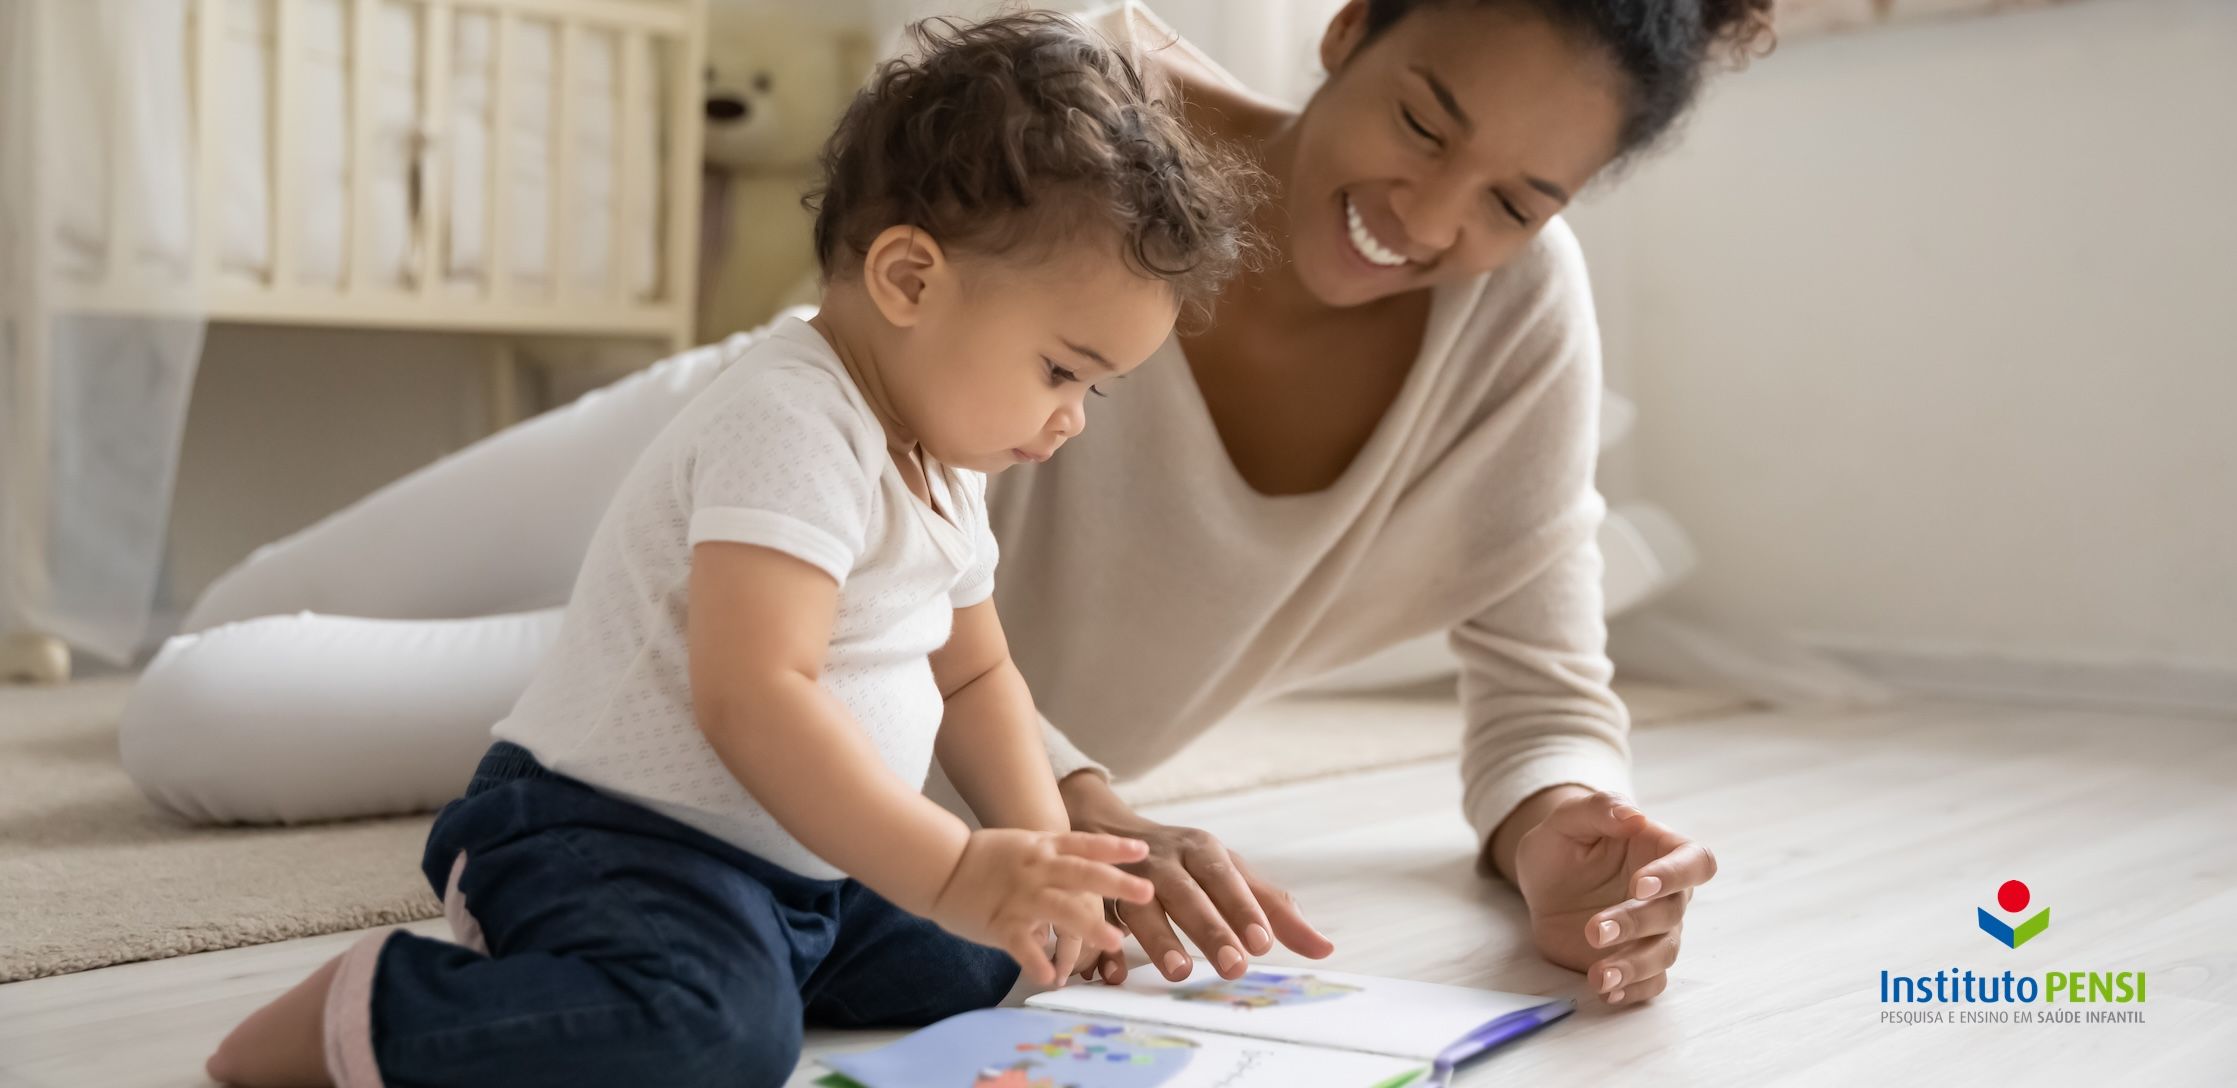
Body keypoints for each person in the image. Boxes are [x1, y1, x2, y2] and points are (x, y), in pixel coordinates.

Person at [128, 0, 1766, 1021]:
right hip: (768, 523)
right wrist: (1044, 806)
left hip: (880, 705)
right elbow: (868, 351)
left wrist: (1566, 831)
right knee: (211, 684)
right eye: (1423, 119)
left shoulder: (1514, 321)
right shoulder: (1086, 106)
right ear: (1346, 28)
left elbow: (1544, 678)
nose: (1429, 212)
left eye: (1520, 198)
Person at [198, 13, 1256, 1087]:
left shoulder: (945, 459)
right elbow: (752, 693)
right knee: (714, 1034)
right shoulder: (791, 422)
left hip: (791, 863)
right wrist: (947, 863)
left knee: (984, 953)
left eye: (1091, 387)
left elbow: (977, 672)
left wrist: (1041, 863)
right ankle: (370, 1007)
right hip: (610, 836)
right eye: (1058, 369)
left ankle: (745, 956)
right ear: (907, 279)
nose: (1072, 416)